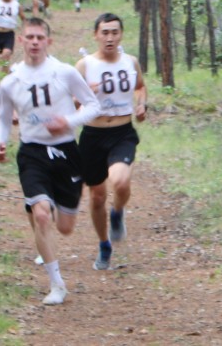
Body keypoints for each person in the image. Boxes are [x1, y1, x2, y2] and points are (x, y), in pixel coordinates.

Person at [0, 17, 101, 305]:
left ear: (48, 41)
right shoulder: (9, 82)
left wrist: (68, 120)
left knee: (64, 227)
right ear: (21, 41)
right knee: (41, 214)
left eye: (40, 37)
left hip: (67, 152)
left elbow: (93, 105)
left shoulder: (64, 73)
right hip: (32, 153)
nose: (35, 42)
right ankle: (57, 284)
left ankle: (46, 209)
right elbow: (2, 120)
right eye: (29, 37)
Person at [75, 13, 147, 271]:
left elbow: (140, 87)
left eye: (114, 32)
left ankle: (117, 213)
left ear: (121, 35)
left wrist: (141, 104)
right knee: (96, 197)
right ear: (96, 35)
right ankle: (104, 244)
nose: (110, 38)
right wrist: (85, 95)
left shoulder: (130, 62)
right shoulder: (84, 65)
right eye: (105, 32)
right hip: (92, 136)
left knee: (120, 181)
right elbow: (69, 103)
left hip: (122, 132)